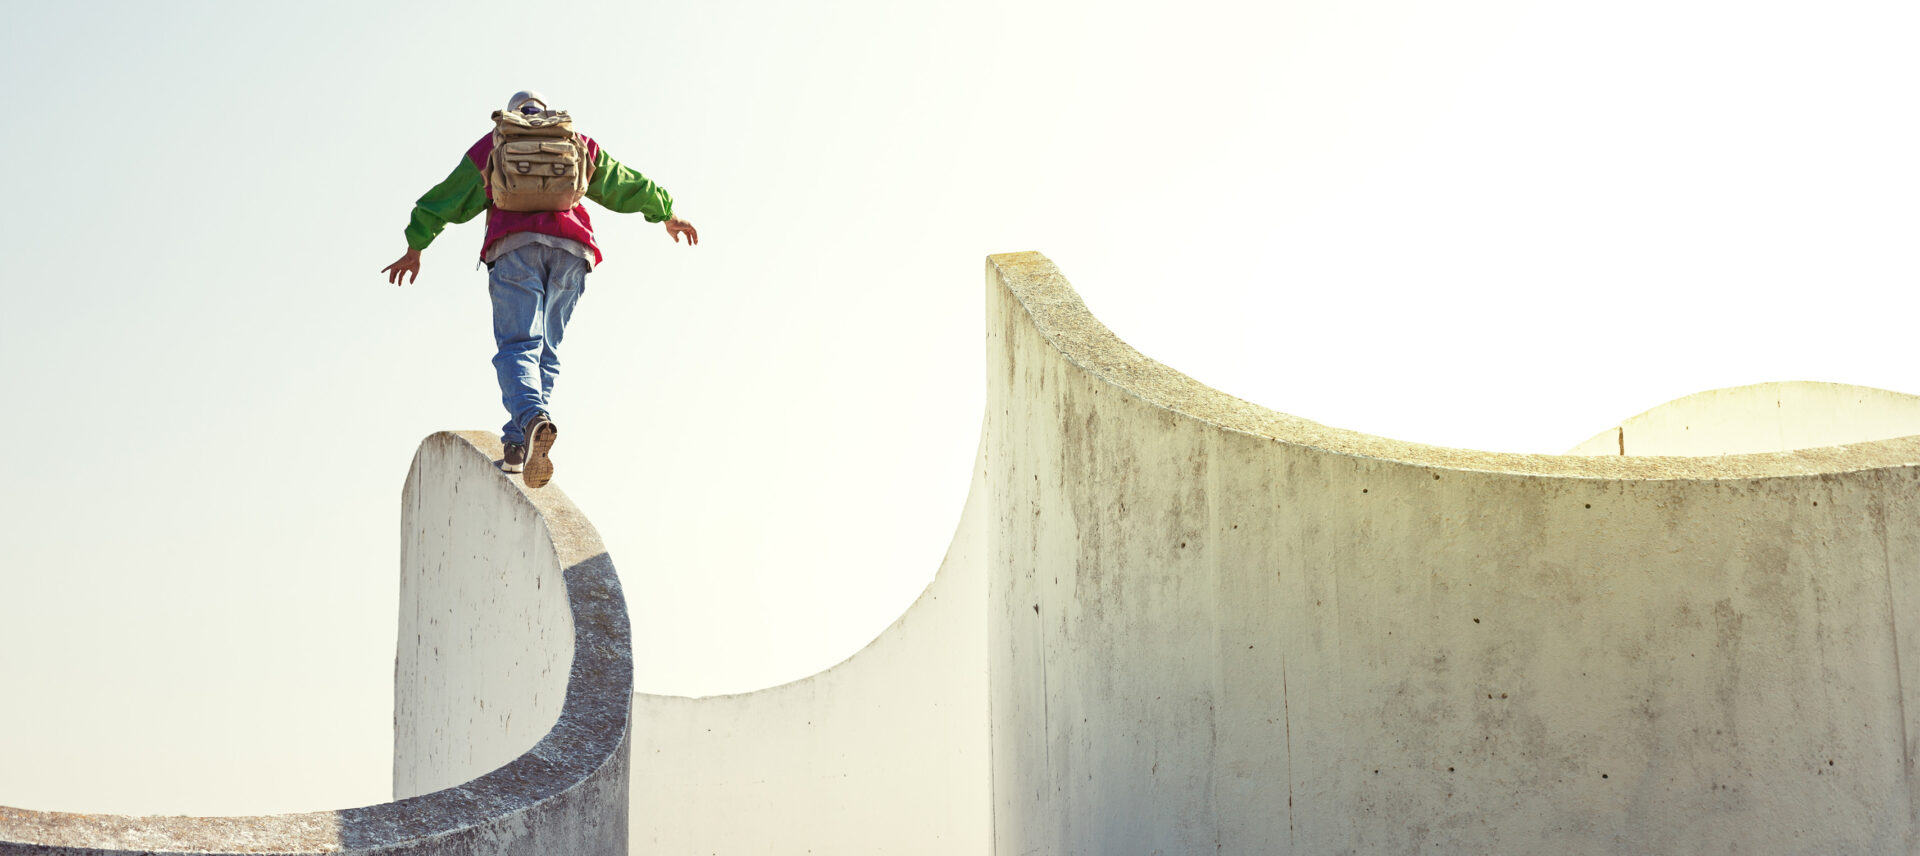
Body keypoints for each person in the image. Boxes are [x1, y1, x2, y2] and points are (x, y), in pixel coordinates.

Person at [383, 90, 697, 487]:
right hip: (572, 251)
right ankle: (518, 445)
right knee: (545, 349)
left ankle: (531, 419)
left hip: (514, 249)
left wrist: (415, 245)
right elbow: (623, 182)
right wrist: (666, 213)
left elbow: (448, 198)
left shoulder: (496, 144)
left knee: (518, 346)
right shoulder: (574, 142)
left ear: (513, 115)